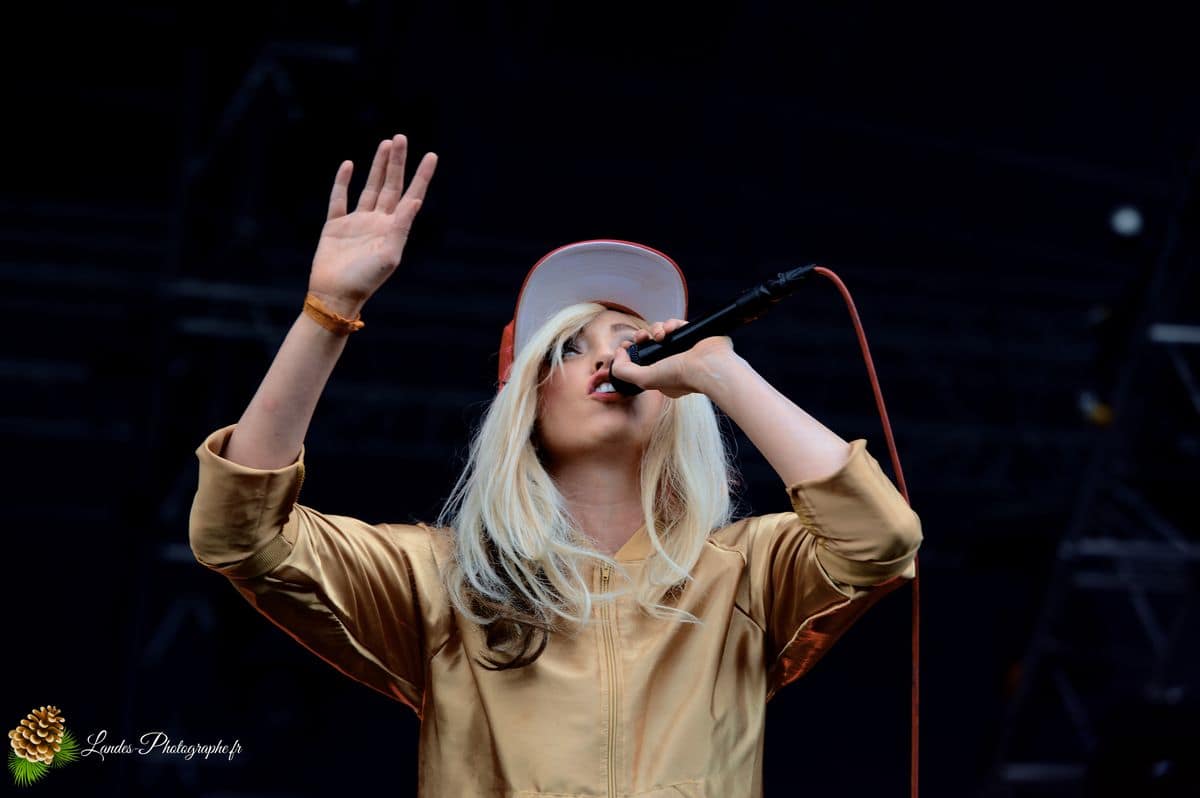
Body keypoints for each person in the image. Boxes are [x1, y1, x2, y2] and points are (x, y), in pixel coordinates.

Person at [188, 133, 923, 797]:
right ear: (526, 397)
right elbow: (240, 533)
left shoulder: (744, 574)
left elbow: (881, 539)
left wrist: (721, 374)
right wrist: (328, 309)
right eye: (571, 347)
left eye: (635, 342)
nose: (609, 358)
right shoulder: (444, 581)